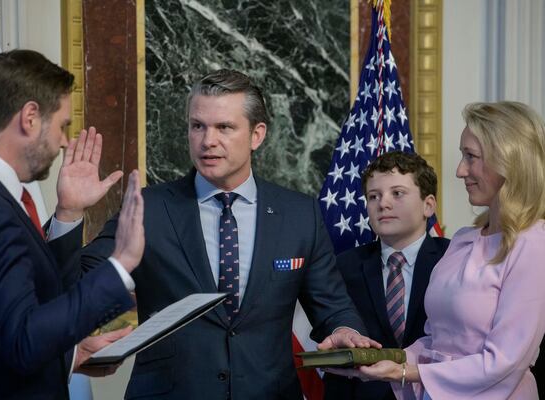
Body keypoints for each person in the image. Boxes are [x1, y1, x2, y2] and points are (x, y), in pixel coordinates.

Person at [78, 69, 379, 399]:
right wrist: (69, 214)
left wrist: (345, 331)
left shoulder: (299, 215)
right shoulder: (148, 207)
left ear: (257, 135)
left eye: (224, 127)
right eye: (198, 126)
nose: (208, 141)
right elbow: (81, 281)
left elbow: (332, 306)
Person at [0, 49, 144, 399]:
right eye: (63, 125)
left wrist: (68, 213)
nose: (65, 141)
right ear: (31, 117)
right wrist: (120, 265)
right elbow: (23, 340)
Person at [326, 101, 545, 399]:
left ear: (509, 160)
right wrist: (382, 361)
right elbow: (434, 342)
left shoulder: (532, 243)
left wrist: (403, 372)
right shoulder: (464, 240)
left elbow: (504, 362)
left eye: (471, 156)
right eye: (462, 156)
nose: (459, 170)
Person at [323, 151, 449, 400]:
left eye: (397, 193)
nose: (383, 204)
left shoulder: (454, 259)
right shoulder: (343, 266)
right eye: (373, 196)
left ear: (428, 205)